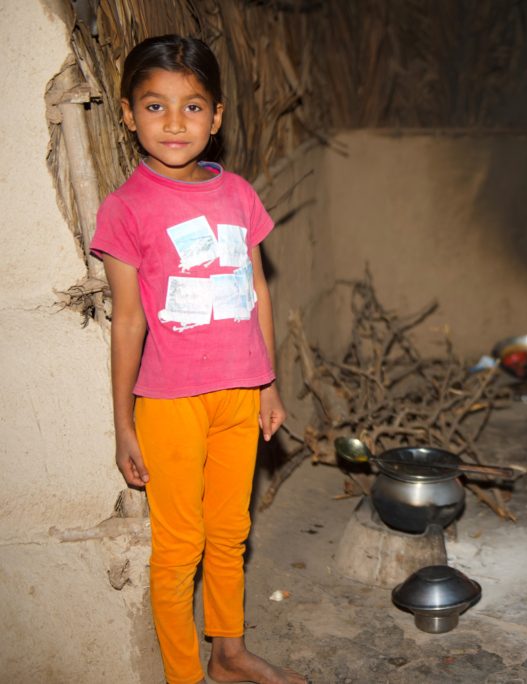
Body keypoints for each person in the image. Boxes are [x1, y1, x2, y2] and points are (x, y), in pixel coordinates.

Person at [90, 35, 306, 684]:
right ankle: (184, 677)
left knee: (231, 532)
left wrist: (268, 383)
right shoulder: (126, 208)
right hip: (170, 404)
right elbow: (127, 320)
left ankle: (230, 652)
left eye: (192, 107)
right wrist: (124, 421)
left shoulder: (237, 194)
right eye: (156, 106)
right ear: (128, 114)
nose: (175, 123)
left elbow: (257, 290)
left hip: (239, 395)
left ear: (215, 118)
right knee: (178, 550)